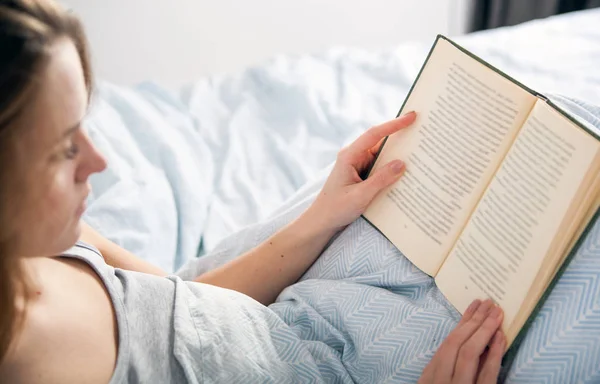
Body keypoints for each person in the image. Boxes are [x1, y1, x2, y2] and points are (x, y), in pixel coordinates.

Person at [0, 1, 506, 382]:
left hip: (278, 324)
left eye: (85, 125)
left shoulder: (51, 236)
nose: (99, 162)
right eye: (63, 148)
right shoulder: (32, 355)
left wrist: (321, 218)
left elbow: (189, 305)